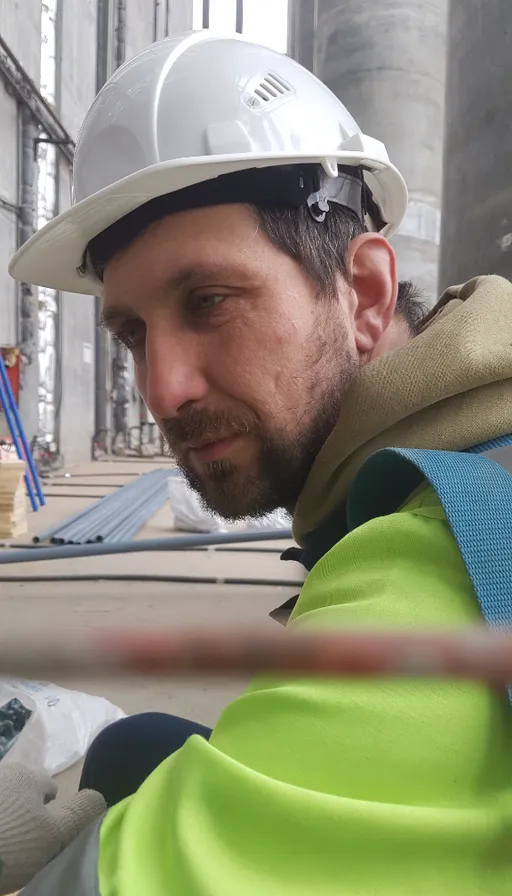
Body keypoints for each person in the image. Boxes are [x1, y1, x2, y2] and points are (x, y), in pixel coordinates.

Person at [6, 29, 512, 896]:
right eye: (132, 333)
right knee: (138, 749)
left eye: (209, 302)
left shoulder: (443, 561)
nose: (164, 388)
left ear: (365, 294)